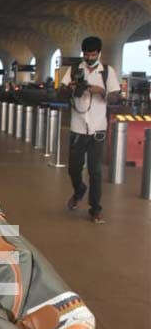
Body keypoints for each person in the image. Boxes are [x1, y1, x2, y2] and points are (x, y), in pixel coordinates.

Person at [60, 36, 120, 224]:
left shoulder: (107, 72)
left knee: (95, 171)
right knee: (74, 169)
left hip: (98, 130)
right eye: (86, 54)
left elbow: (116, 98)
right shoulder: (74, 70)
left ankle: (95, 209)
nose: (89, 58)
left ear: (99, 53)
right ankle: (79, 190)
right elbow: (60, 93)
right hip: (78, 127)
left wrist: (101, 91)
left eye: (93, 54)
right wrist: (70, 89)